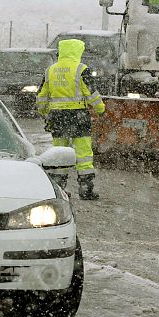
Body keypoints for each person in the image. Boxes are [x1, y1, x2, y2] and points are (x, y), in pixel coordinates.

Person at [36, 39, 105, 200]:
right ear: (77, 52)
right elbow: (92, 93)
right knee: (84, 154)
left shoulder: (50, 70)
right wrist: (100, 109)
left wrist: (45, 112)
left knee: (59, 153)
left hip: (57, 117)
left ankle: (58, 189)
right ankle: (86, 190)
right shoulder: (81, 69)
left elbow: (41, 96)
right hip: (78, 117)